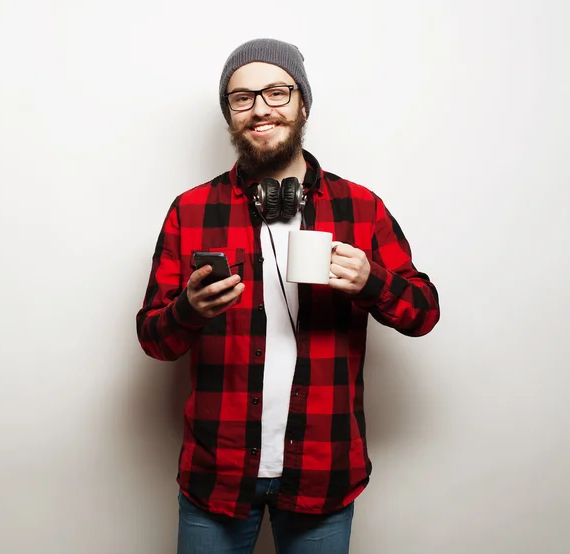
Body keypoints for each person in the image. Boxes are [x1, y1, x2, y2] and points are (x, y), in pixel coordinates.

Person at [136, 38, 440, 554]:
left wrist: (371, 282)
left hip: (322, 471)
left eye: (277, 92)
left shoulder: (360, 207)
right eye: (241, 97)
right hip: (219, 474)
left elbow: (423, 312)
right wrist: (188, 311)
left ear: (303, 103)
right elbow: (153, 339)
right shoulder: (190, 210)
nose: (260, 108)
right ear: (229, 113)